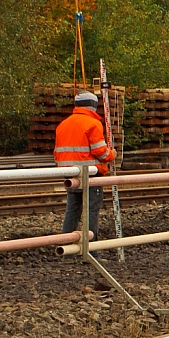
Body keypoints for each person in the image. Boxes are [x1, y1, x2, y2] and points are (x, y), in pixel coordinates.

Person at [56, 91, 116, 241]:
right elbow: (100, 152)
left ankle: (67, 248)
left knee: (72, 210)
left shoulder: (63, 124)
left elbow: (57, 153)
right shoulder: (93, 124)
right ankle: (91, 250)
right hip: (91, 175)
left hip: (70, 174)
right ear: (93, 106)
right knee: (91, 212)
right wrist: (112, 154)